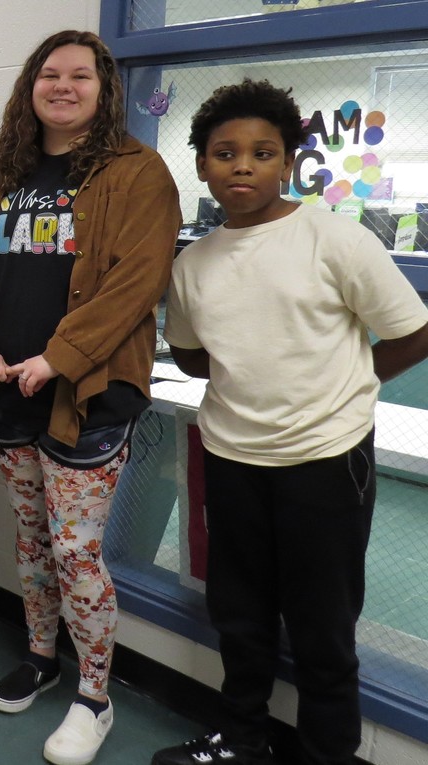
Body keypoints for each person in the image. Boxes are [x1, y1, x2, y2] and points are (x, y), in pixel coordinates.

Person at [152, 79, 428, 765]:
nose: (242, 165)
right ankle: (241, 739)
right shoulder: (195, 263)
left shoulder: (335, 239)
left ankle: (326, 754)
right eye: (224, 152)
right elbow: (188, 353)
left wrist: (345, 386)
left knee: (322, 627)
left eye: (261, 152)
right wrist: (253, 367)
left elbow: (412, 331)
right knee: (239, 616)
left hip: (326, 462)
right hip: (233, 457)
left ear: (288, 162)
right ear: (203, 165)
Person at [0, 30, 181, 765]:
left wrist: (59, 358)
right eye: (50, 74)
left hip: (86, 396)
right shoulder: (3, 173)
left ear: (104, 91)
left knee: (77, 550)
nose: (64, 86)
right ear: (31, 87)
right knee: (31, 537)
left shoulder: (137, 171)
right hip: (8, 395)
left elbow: (137, 282)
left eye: (81, 76)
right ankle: (42, 654)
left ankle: (94, 696)